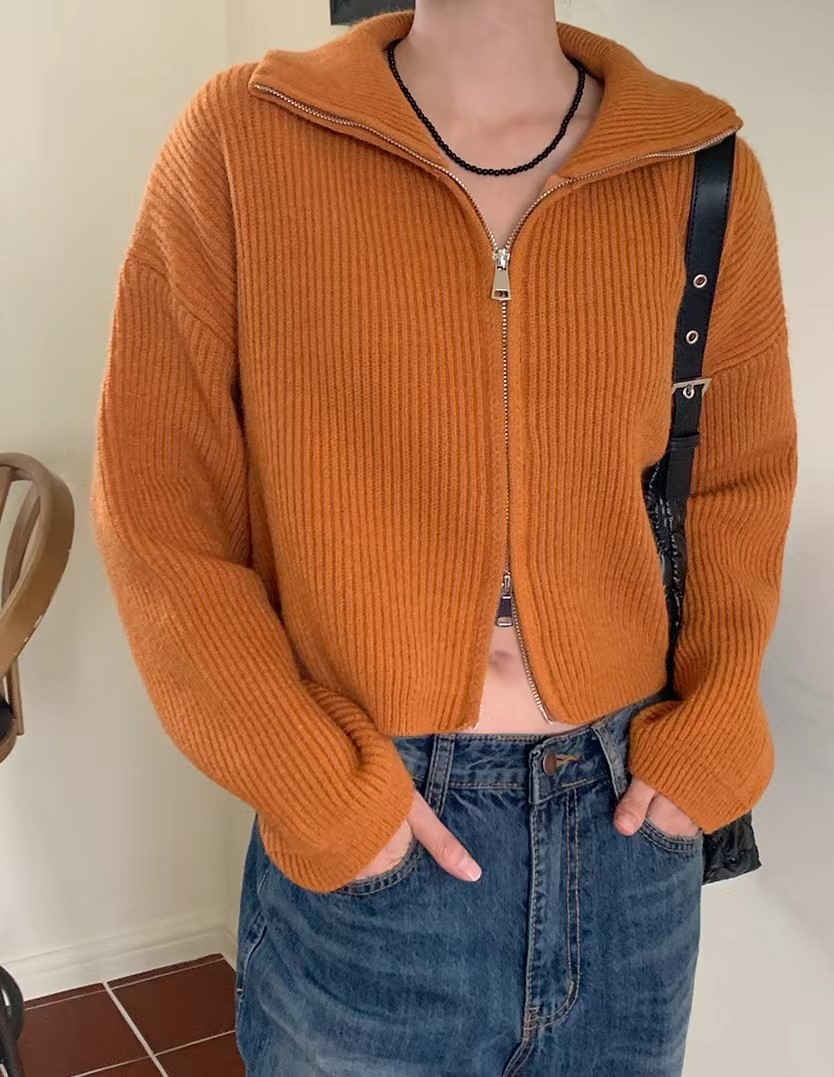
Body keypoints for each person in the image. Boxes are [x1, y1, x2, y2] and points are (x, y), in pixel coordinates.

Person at [90, 2, 798, 1074]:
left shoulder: (703, 168)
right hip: (375, 834)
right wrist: (321, 788)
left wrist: (716, 724)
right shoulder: (244, 138)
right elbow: (159, 507)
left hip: (627, 843)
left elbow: (738, 489)